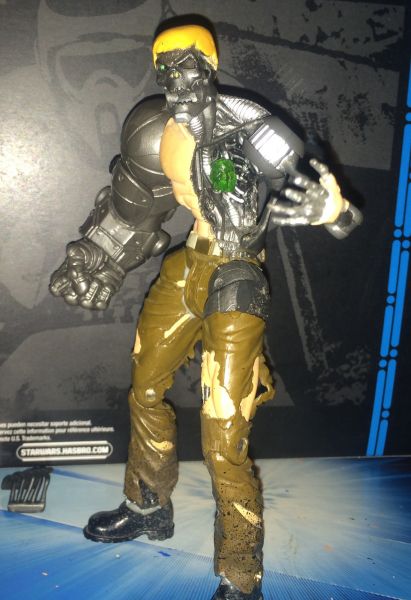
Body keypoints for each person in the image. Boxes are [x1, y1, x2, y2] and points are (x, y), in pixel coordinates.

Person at [50, 23, 362, 600]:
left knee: (223, 431)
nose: (178, 78)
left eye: (188, 64)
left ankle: (240, 576)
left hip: (237, 273)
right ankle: (147, 505)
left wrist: (333, 212)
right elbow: (133, 213)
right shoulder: (154, 130)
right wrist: (96, 258)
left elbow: (325, 199)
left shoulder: (253, 127)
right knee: (144, 389)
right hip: (187, 265)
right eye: (166, 67)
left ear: (210, 66)